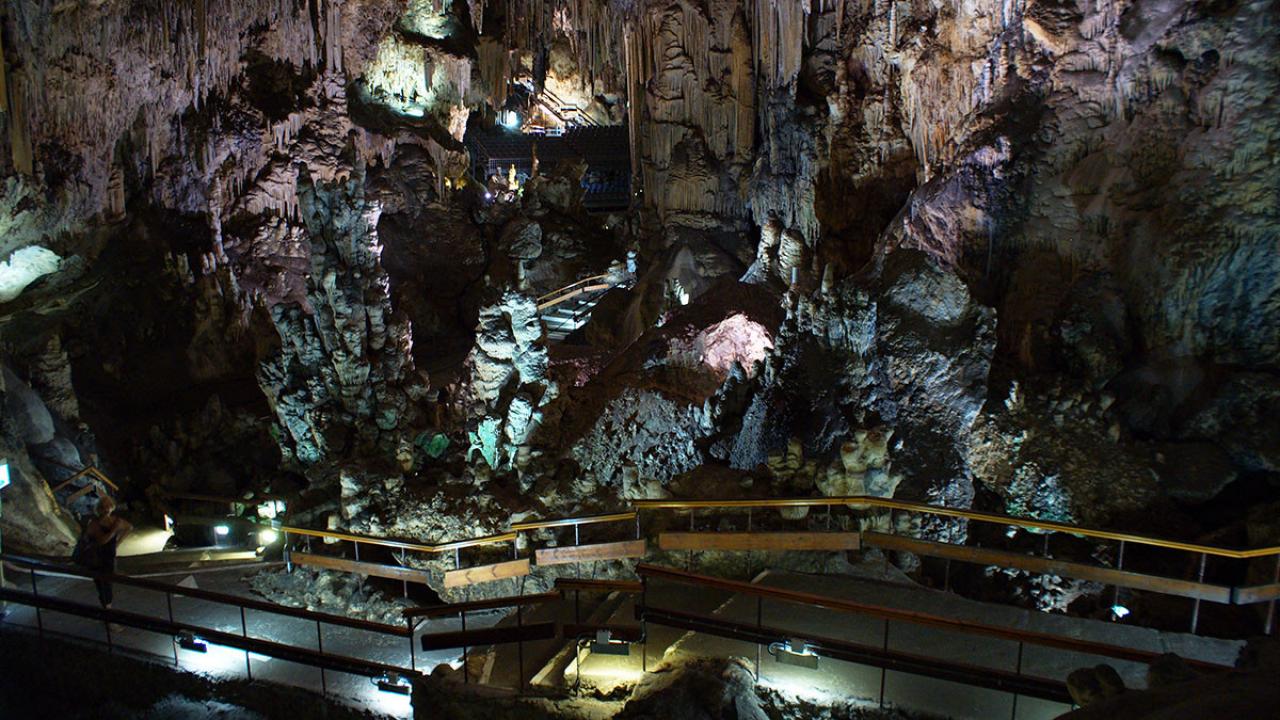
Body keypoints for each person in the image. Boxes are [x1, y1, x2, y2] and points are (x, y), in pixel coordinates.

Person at [77, 496, 131, 611]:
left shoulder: (113, 521)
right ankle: (108, 614)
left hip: (108, 557)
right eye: (104, 507)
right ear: (99, 509)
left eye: (109, 506)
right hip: (97, 558)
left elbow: (129, 527)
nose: (107, 509)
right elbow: (101, 541)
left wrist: (117, 543)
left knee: (107, 584)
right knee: (103, 585)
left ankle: (108, 611)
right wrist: (114, 530)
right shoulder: (95, 523)